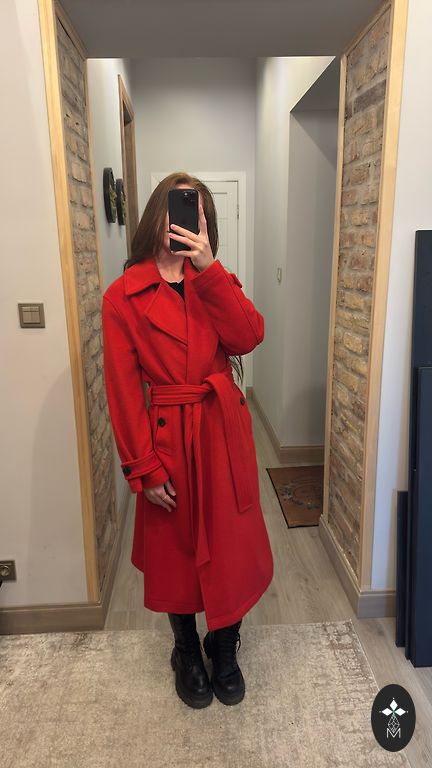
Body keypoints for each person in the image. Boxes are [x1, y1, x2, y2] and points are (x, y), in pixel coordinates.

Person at [102, 171, 274, 709]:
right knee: (176, 550)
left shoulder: (215, 281)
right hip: (168, 437)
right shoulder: (122, 296)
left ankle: (224, 646)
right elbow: (123, 391)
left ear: (206, 224)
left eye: (198, 215)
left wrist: (208, 268)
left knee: (230, 544)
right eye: (178, 210)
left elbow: (248, 336)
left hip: (221, 432)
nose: (184, 222)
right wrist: (144, 467)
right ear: (158, 214)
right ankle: (185, 649)